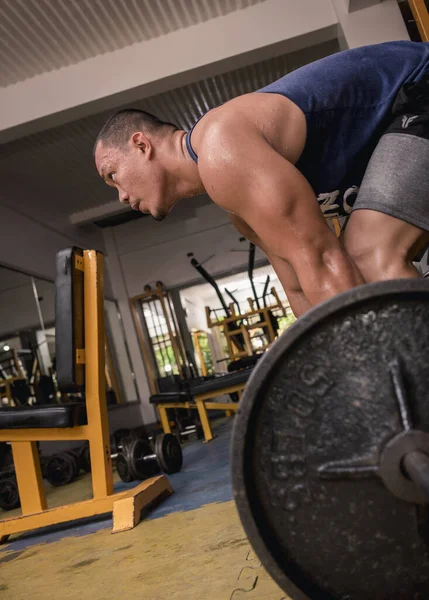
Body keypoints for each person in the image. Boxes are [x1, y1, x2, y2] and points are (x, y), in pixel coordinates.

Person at [94, 40, 429, 317]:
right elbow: (300, 291)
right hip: (402, 123)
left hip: (420, 88)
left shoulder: (221, 148)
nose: (121, 196)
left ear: (141, 145)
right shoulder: (240, 211)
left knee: (369, 261)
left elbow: (325, 262)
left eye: (113, 175)